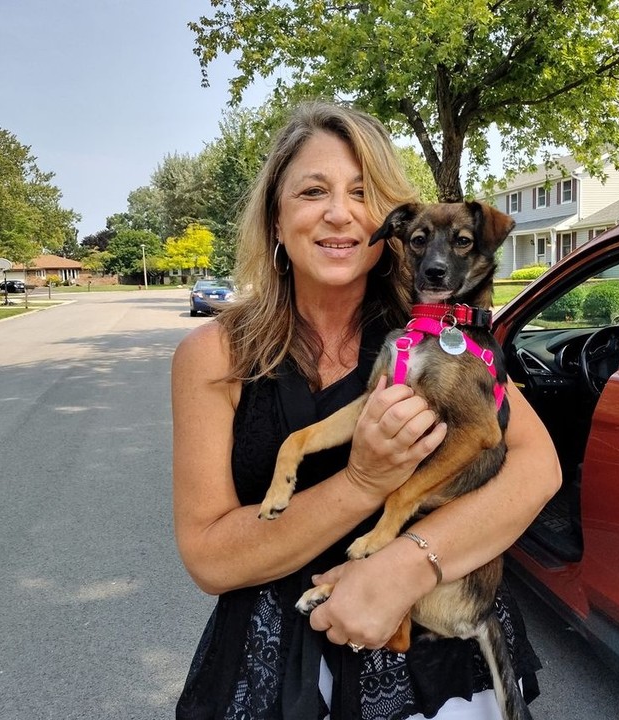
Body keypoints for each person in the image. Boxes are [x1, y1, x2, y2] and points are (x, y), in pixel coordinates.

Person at [172, 101, 561, 720]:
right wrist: (361, 483)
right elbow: (210, 558)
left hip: (439, 667)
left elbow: (538, 467)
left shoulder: (437, 335)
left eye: (362, 192)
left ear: (387, 223)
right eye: (312, 191)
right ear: (276, 217)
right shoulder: (214, 354)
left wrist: (405, 567)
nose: (338, 212)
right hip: (274, 668)